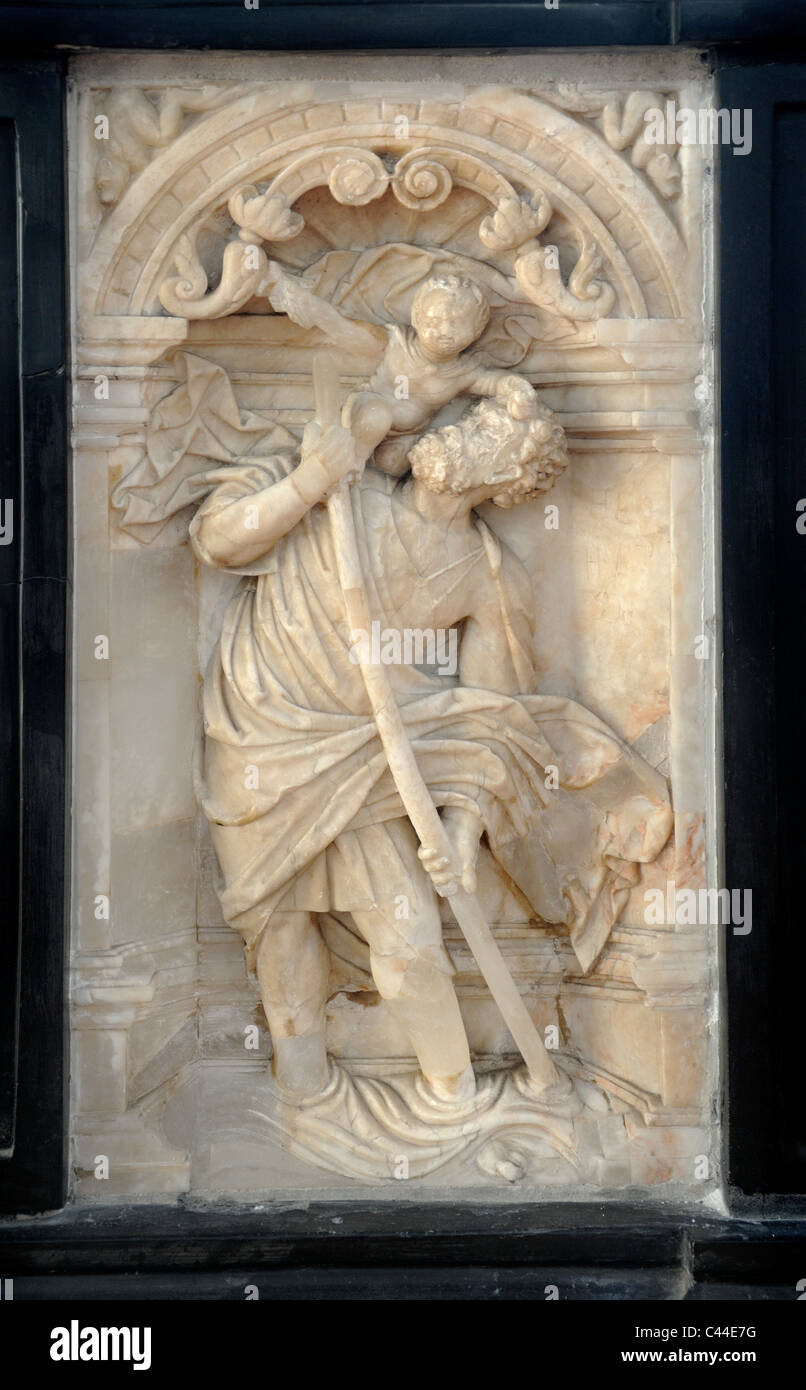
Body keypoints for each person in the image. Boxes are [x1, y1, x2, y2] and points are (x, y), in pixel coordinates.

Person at [189, 394, 672, 1103]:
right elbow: (219, 542)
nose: (458, 433)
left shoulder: (487, 574)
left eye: (487, 434)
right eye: (469, 422)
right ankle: (304, 1095)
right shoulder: (343, 492)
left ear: (514, 478)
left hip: (375, 757)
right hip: (259, 732)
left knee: (409, 931)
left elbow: (488, 728)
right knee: (277, 920)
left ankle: (454, 1098)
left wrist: (458, 832)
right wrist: (309, 481)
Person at [266, 265, 540, 474]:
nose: (444, 331)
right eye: (434, 320)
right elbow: (343, 327)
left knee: (398, 466)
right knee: (377, 417)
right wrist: (300, 300)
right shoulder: (396, 342)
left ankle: (372, 492)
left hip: (407, 434)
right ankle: (350, 466)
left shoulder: (464, 371)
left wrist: (516, 390)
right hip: (368, 411)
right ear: (417, 318)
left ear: (477, 329)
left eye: (457, 323)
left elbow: (494, 383)